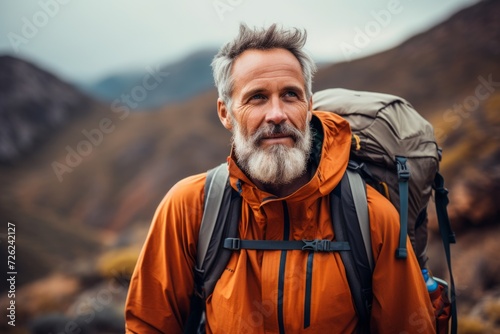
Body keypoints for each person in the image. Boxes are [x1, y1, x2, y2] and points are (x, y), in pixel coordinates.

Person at [125, 24, 435, 333]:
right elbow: (148, 325)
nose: (276, 114)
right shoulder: (190, 207)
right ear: (225, 113)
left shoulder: (371, 216)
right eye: (257, 97)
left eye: (290, 95)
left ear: (309, 105)